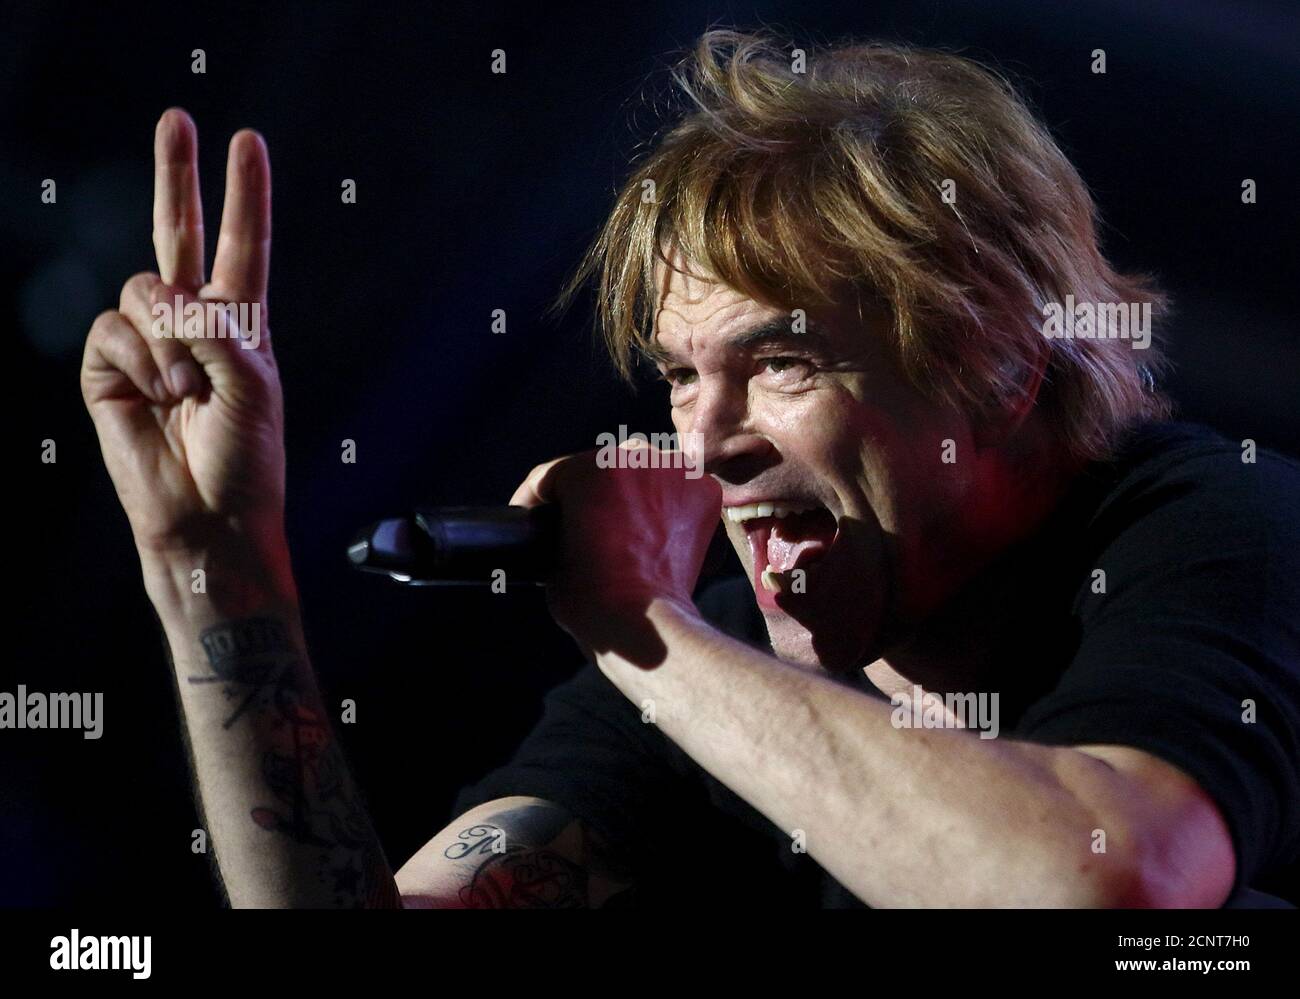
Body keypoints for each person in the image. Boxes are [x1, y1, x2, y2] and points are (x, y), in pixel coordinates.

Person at [82, 30, 1298, 908]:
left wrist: (637, 622)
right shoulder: (702, 656)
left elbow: (1106, 886)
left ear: (1001, 370)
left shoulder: (1209, 528)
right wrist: (219, 573)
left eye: (784, 361)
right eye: (676, 375)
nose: (705, 441)